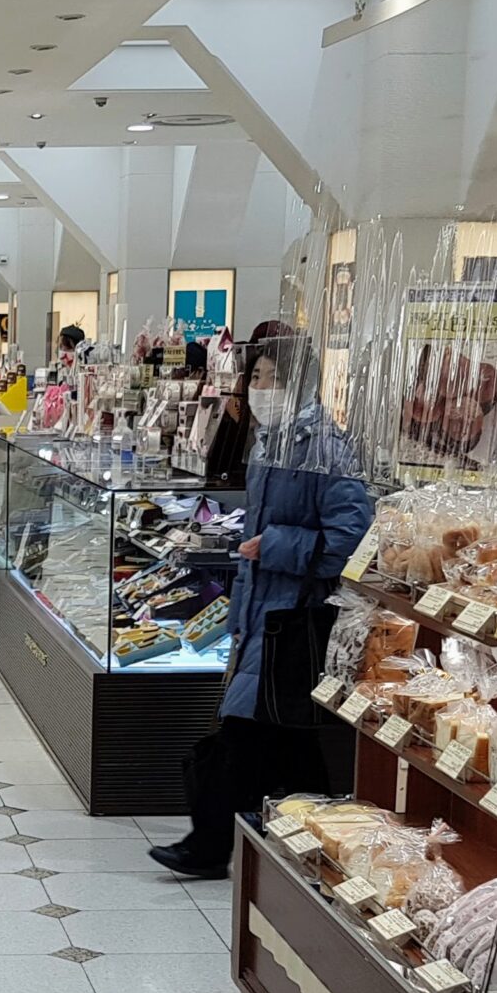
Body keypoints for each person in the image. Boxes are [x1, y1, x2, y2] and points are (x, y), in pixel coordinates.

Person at [149, 335, 373, 878]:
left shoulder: (325, 448)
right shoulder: (274, 439)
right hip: (263, 613)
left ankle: (209, 846)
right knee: (283, 742)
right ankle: (325, 844)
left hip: (293, 617)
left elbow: (353, 536)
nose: (259, 389)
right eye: (255, 378)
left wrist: (273, 547)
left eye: (270, 377)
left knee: (245, 734)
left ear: (299, 382)